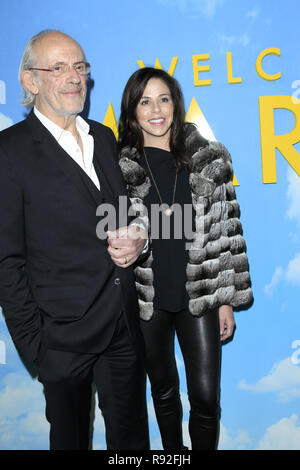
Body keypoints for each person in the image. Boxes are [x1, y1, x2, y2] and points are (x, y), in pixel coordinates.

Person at [0, 30, 150, 450]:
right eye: (59, 67)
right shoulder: (8, 152)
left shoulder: (103, 137)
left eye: (80, 67)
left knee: (132, 447)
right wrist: (38, 348)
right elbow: (6, 260)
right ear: (31, 81)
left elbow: (121, 216)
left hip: (122, 326)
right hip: (61, 340)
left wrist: (139, 237)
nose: (74, 77)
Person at [118, 67, 253, 450]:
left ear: (176, 104)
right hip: (148, 298)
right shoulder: (118, 168)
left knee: (206, 398)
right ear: (132, 112)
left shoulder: (210, 158)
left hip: (201, 294)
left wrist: (225, 299)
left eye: (163, 99)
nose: (156, 109)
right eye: (145, 101)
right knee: (163, 393)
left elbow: (229, 232)